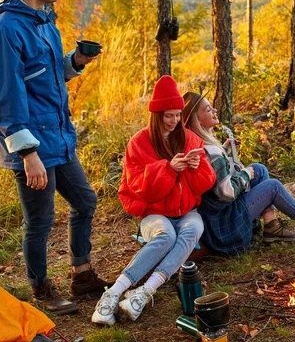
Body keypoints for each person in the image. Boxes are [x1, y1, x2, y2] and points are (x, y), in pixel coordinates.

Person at [0, 0, 110, 315]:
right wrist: (28, 154)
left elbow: (48, 76)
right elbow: (5, 100)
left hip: (58, 137)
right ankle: (40, 289)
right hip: (32, 147)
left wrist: (75, 62)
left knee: (85, 201)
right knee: (39, 220)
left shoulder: (44, 23)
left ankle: (82, 275)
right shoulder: (5, 32)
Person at [91, 76, 215, 325]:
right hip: (154, 212)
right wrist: (168, 169)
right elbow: (139, 188)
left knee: (194, 228)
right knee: (166, 236)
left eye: (178, 115)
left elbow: (206, 182)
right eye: (169, 115)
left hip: (186, 211)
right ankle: (113, 293)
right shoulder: (139, 142)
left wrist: (195, 167)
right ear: (156, 115)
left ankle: (144, 292)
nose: (174, 121)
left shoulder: (191, 139)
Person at [182, 91, 295, 256]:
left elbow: (213, 178)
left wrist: (224, 150)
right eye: (208, 109)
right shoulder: (211, 152)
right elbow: (226, 192)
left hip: (218, 218)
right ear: (197, 120)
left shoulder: (199, 145)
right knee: (272, 186)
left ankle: (271, 225)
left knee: (259, 169)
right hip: (226, 226)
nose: (215, 111)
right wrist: (245, 175)